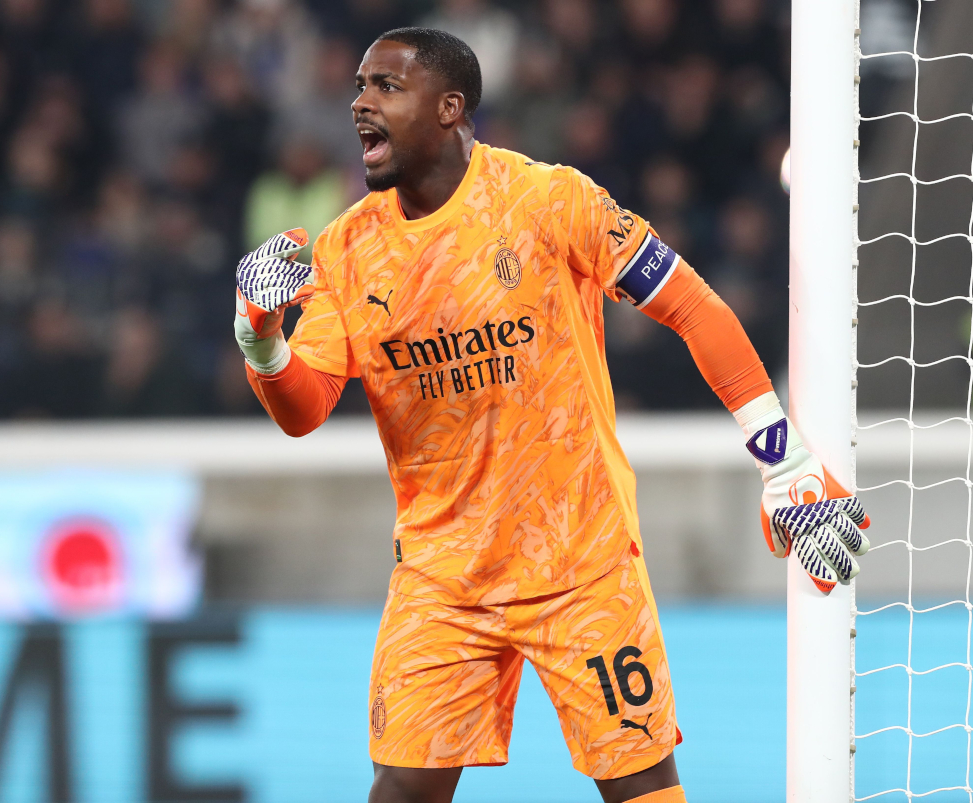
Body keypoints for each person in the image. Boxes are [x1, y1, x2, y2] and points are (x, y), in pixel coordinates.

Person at [232, 28, 870, 803]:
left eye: (386, 86)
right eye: (359, 86)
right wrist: (261, 340)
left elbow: (693, 307)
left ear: (450, 107)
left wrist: (784, 458)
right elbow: (304, 409)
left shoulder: (548, 200)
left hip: (580, 560)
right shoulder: (346, 250)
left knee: (641, 788)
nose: (361, 103)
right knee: (401, 786)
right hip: (442, 574)